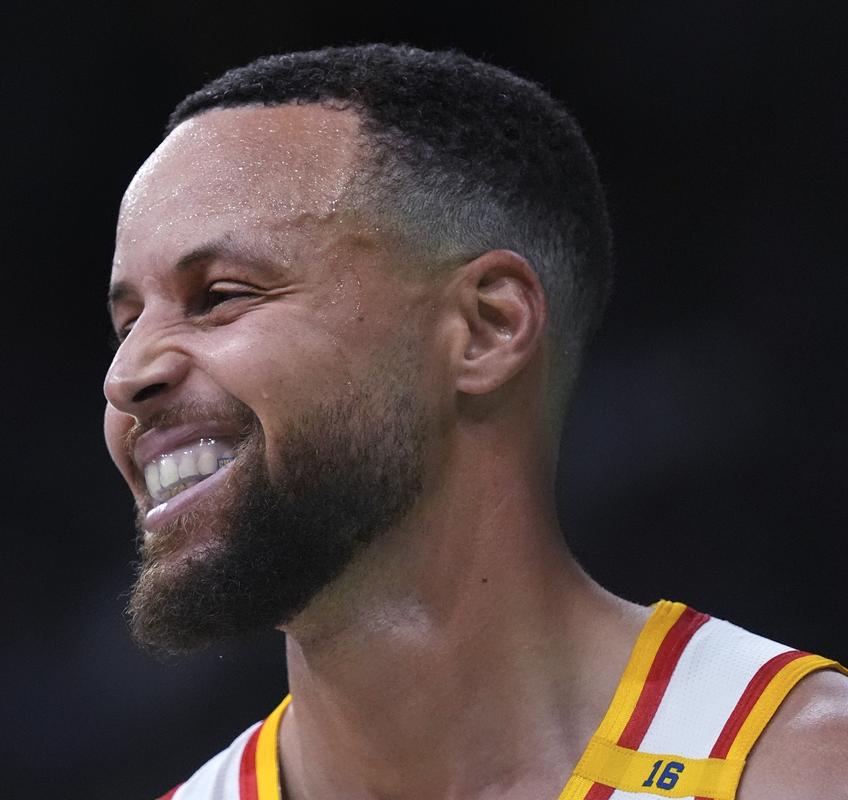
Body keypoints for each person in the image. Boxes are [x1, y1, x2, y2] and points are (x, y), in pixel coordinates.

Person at [101, 44, 848, 800]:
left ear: (488, 326)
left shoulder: (801, 771)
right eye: (127, 324)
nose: (126, 376)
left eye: (222, 294)